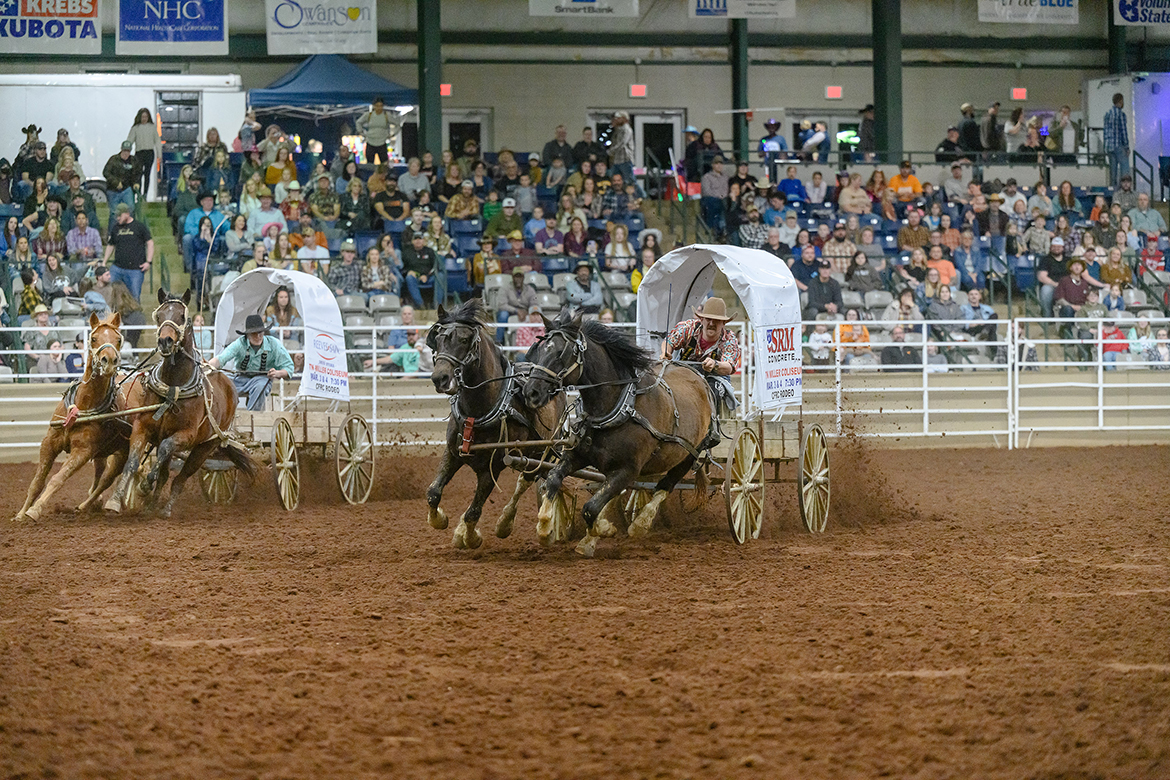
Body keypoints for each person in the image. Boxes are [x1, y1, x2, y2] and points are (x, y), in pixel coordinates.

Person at [661, 297, 741, 412]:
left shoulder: (729, 339)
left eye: (716, 320)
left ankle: (711, 421)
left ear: (723, 323)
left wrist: (715, 364)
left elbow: (729, 366)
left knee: (714, 392)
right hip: (684, 370)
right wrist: (666, 353)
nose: (711, 323)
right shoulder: (688, 327)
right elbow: (669, 341)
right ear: (702, 319)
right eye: (708, 319)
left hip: (715, 376)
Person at [209, 314, 294, 411]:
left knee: (260, 386)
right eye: (254, 333)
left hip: (262, 379)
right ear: (247, 335)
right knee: (221, 385)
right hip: (239, 379)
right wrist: (207, 366)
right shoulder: (240, 343)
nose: (258, 336)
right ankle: (223, 414)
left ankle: (252, 415)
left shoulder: (274, 344)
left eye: (260, 333)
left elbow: (289, 368)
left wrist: (278, 373)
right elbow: (221, 358)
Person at [101, 203, 153, 301]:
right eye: (116, 215)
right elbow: (111, 245)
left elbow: (150, 243)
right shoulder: (116, 228)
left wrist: (148, 262)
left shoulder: (139, 226)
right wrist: (104, 262)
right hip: (117, 267)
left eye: (119, 215)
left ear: (127, 214)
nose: (117, 218)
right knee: (110, 293)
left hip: (135, 269)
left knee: (134, 297)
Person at [102, 141, 141, 234]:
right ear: (121, 150)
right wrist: (116, 182)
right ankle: (111, 234)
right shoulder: (113, 160)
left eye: (128, 151)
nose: (126, 153)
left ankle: (131, 231)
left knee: (131, 209)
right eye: (124, 151)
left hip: (127, 189)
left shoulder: (134, 161)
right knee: (114, 213)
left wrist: (136, 183)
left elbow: (138, 173)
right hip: (113, 190)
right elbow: (106, 172)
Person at [401, 232, 438, 309]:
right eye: (415, 239)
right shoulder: (406, 252)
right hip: (414, 276)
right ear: (412, 241)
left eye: (420, 239)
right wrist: (408, 272)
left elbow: (435, 267)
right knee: (409, 278)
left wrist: (427, 276)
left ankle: (436, 303)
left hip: (429, 276)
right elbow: (402, 267)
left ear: (423, 240)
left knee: (439, 277)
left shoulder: (430, 251)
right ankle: (420, 304)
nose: (418, 241)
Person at [1037, 236, 1069, 317]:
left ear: (1062, 248)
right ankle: (1047, 317)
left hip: (1066, 286)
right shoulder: (1045, 260)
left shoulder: (1068, 260)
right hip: (1052, 285)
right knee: (1045, 290)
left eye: (1059, 247)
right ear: (1050, 248)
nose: (1056, 249)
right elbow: (1042, 277)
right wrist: (1056, 284)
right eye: (1054, 246)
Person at [355, 97, 393, 164]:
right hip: (370, 142)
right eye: (377, 106)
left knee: (384, 164)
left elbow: (397, 124)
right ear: (374, 106)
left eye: (381, 106)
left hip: (382, 143)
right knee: (369, 165)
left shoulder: (387, 115)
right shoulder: (368, 115)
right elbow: (358, 122)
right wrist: (361, 132)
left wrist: (393, 134)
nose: (379, 108)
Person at [1103, 92, 1129, 186]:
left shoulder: (1107, 114)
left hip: (1109, 146)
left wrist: (1105, 146)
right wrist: (1126, 147)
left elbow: (1105, 132)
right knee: (1124, 168)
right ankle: (1124, 189)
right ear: (1121, 101)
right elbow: (1123, 131)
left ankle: (1113, 190)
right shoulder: (1121, 114)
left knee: (1113, 172)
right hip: (1118, 145)